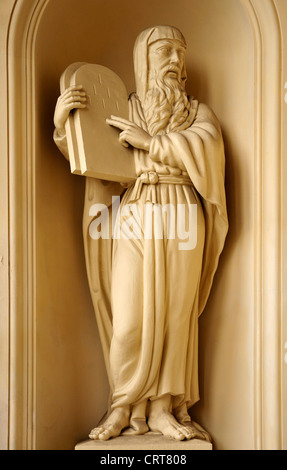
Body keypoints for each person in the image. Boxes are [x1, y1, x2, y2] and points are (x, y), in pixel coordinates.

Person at [53, 25, 228, 442]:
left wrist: (152, 144)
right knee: (129, 318)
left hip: (183, 212)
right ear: (144, 58)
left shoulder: (196, 112)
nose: (175, 61)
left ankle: (164, 408)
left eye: (181, 53)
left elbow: (208, 150)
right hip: (134, 212)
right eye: (165, 50)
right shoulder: (124, 108)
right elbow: (93, 152)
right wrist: (64, 125)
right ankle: (122, 406)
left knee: (175, 315)